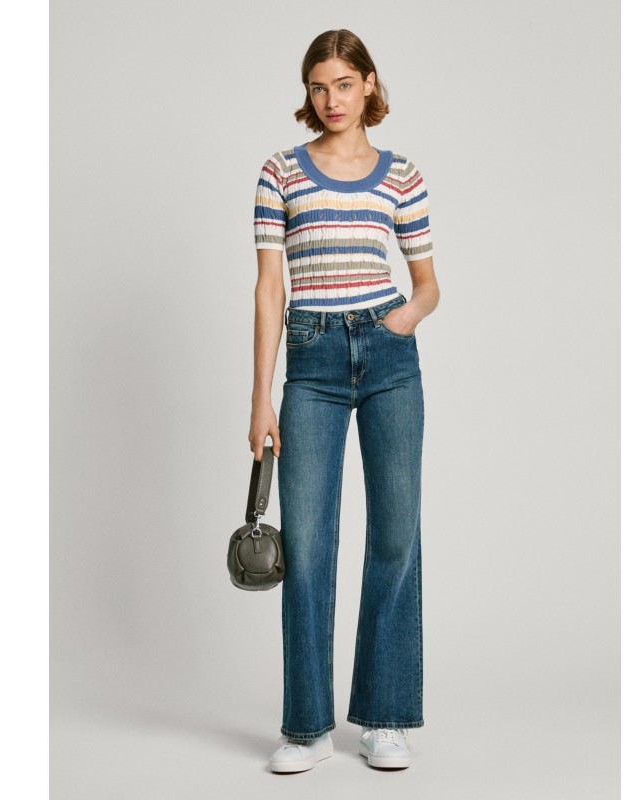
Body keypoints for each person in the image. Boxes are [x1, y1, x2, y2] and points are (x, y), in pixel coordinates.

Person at [249, 28, 440, 773]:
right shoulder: (280, 172)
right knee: (308, 545)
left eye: (344, 84)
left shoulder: (403, 176)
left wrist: (404, 320)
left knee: (396, 535)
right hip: (313, 362)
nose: (332, 99)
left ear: (369, 84)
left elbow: (428, 284)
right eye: (319, 87)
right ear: (309, 92)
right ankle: (306, 727)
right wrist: (261, 397)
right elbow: (270, 287)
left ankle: (385, 717)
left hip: (389, 358)